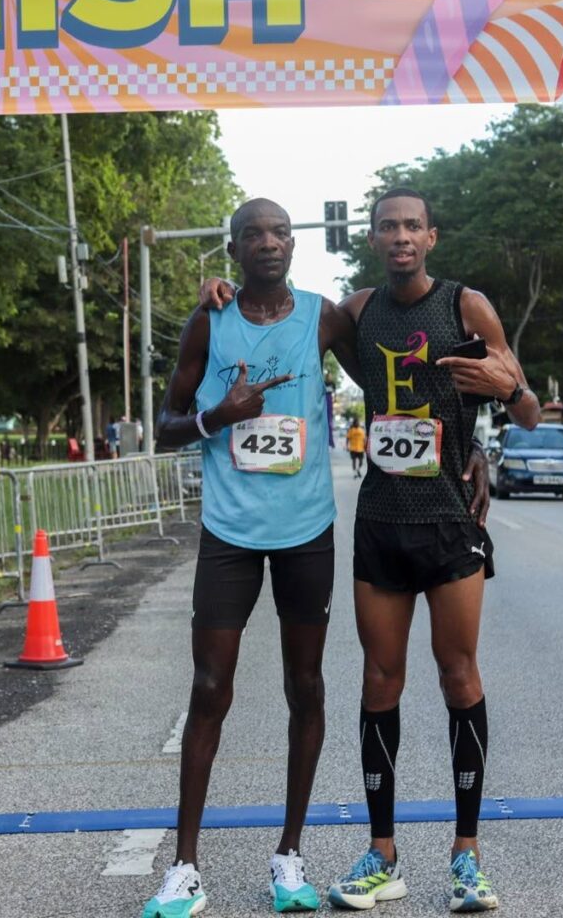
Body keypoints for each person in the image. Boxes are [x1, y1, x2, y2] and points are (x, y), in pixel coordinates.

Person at [146, 198, 489, 918]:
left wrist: (474, 446)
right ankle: (182, 867)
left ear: (294, 246)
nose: (268, 244)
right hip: (228, 533)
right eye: (253, 236)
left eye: (279, 233)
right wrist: (219, 416)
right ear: (232, 249)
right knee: (210, 688)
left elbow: (408, 385)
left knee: (306, 685)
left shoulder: (327, 316)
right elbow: (166, 427)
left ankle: (289, 855)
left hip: (306, 532)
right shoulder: (208, 320)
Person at [323, 188, 540, 914]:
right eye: (386, 227)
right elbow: (281, 316)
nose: (399, 237)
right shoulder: (355, 312)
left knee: (458, 676)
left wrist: (502, 391)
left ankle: (466, 856)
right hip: (382, 522)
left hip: (450, 522)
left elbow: (530, 406)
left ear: (431, 236)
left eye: (411, 226)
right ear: (372, 237)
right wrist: (213, 294)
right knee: (379, 682)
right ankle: (381, 855)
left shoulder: (465, 306)